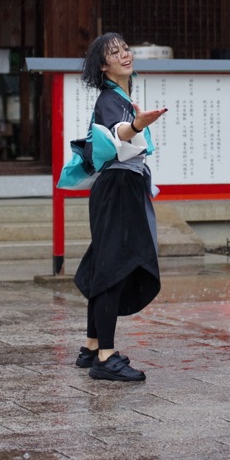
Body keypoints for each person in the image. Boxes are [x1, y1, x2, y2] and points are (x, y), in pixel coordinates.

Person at [67, 32, 167, 383]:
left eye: (126, 47)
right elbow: (116, 132)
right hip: (119, 189)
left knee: (104, 263)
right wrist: (137, 124)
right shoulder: (112, 99)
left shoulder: (120, 95)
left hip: (117, 188)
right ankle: (106, 357)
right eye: (115, 52)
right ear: (103, 65)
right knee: (114, 266)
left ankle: (92, 345)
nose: (125, 54)